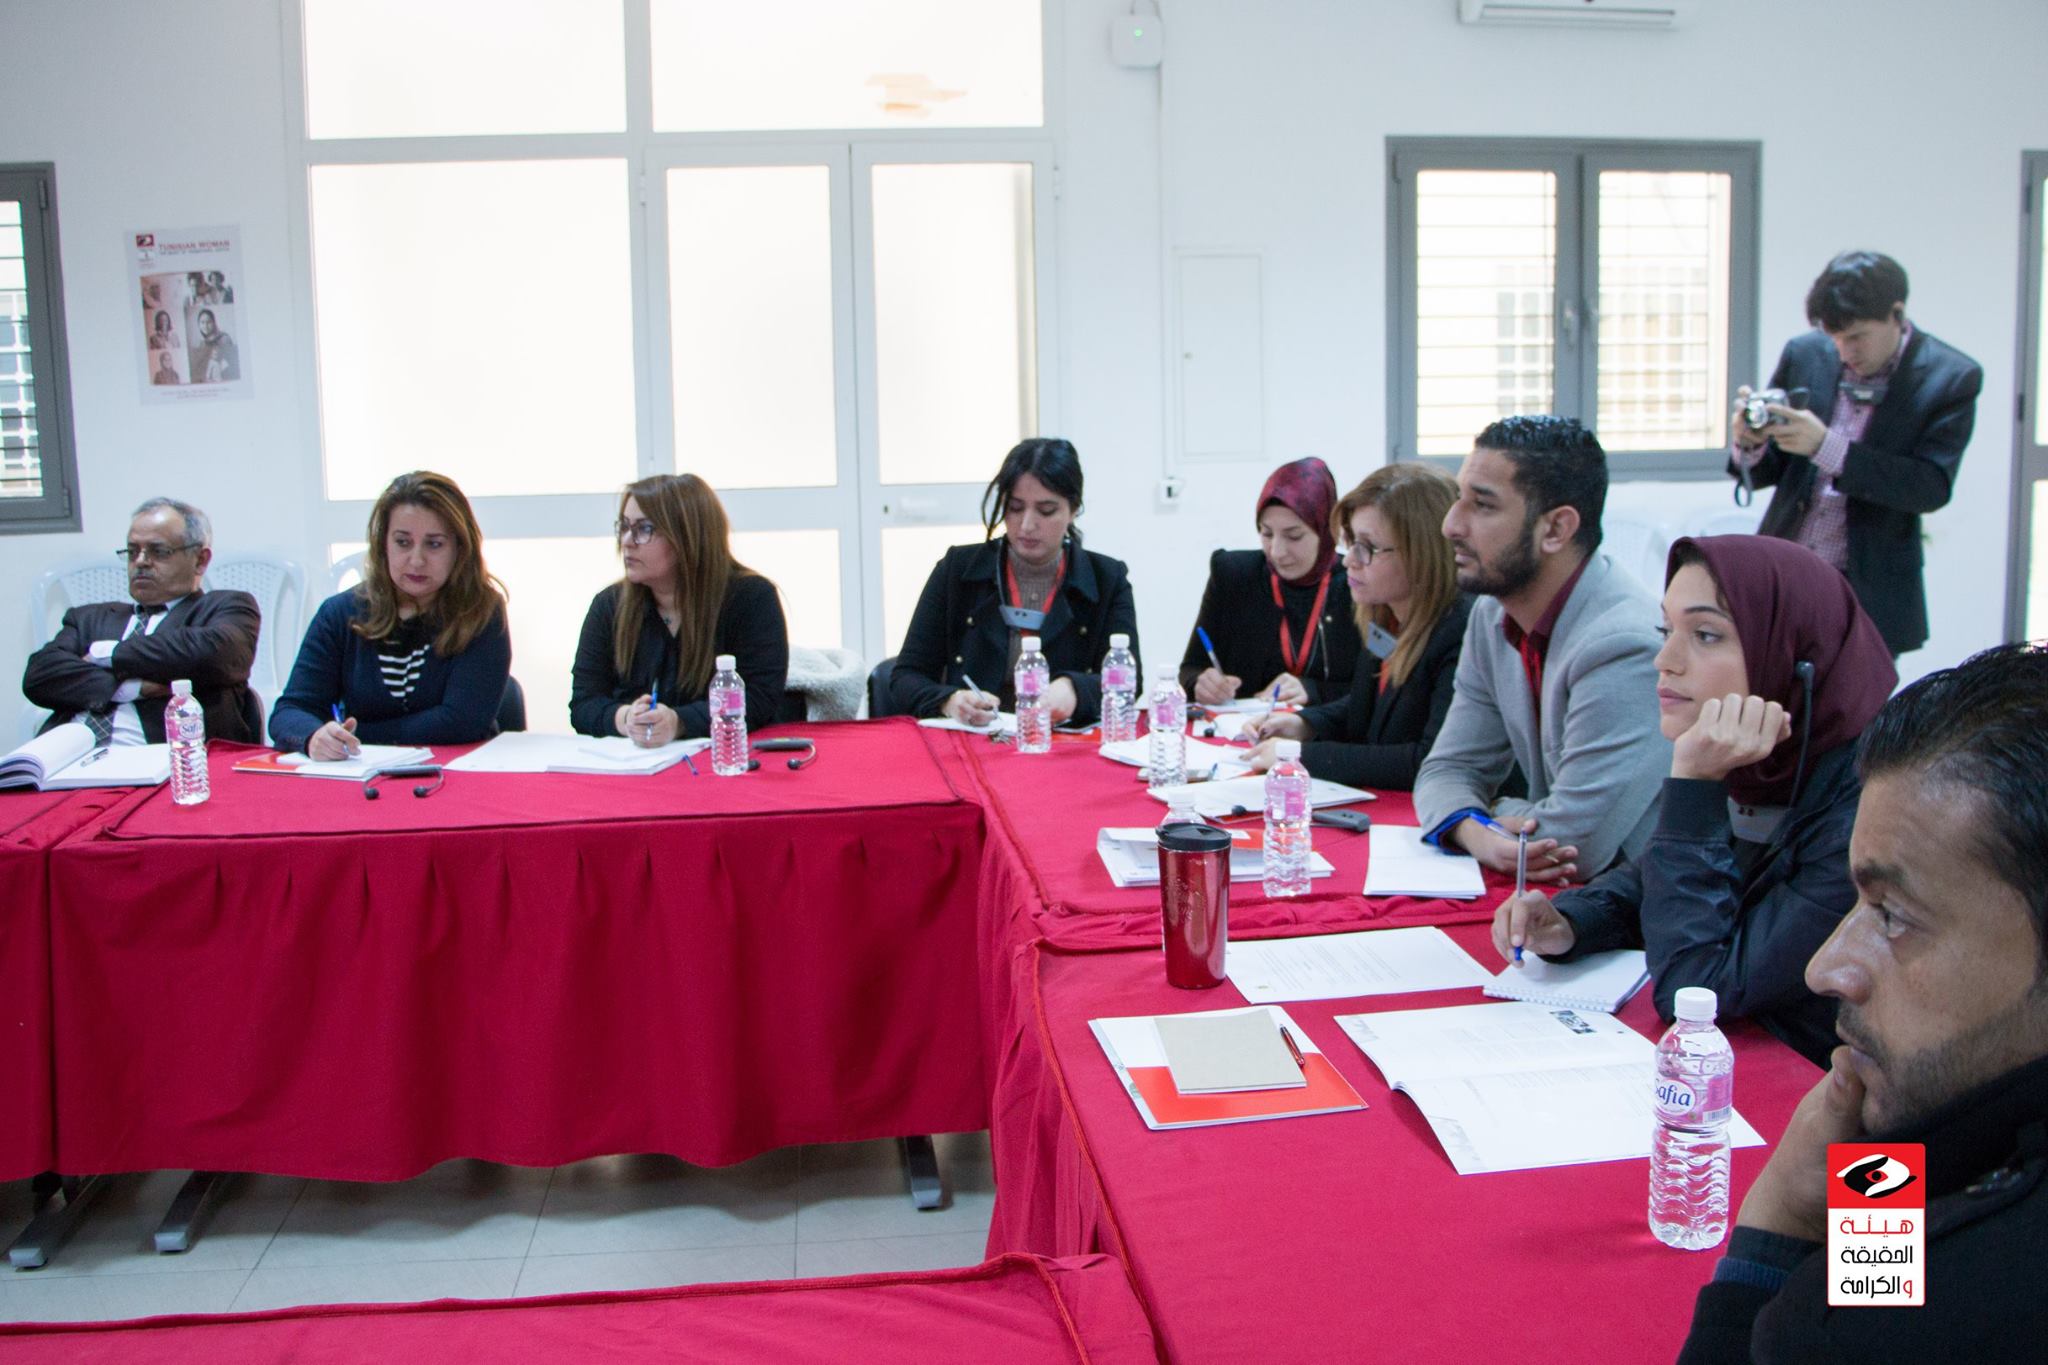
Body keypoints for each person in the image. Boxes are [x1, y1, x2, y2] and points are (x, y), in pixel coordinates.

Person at [1677, 643, 2048, 1364]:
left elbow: (1865, 1306)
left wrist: (1779, 1223)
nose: (1827, 969)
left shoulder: (1877, 1329)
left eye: (1894, 916)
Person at [1489, 535, 1896, 1065]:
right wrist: (1571, 923)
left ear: (1798, 660)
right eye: (1666, 631)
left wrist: (1694, 784)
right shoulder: (1760, 764)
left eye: (1705, 635)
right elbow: (1645, 882)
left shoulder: (1865, 815)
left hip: (1829, 1096)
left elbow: (1696, 991)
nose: (1665, 660)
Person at [1414, 415, 1670, 883]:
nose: (1451, 524)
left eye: (1482, 505)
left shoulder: (1626, 644)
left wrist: (1492, 807)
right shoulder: (1491, 616)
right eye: (1458, 499)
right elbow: (1446, 770)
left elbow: (1573, 846)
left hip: (1638, 907)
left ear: (1555, 529)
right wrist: (1476, 828)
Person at [1730, 251, 1982, 658]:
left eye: (1857, 337)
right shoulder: (1805, 352)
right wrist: (1750, 442)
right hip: (1785, 572)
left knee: (1858, 700)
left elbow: (1930, 486)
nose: (1845, 351)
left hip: (1870, 589)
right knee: (1764, 692)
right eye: (1835, 338)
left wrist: (1826, 447)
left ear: (1896, 314)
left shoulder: (1950, 376)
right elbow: (1773, 470)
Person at [1242, 462, 1470, 789]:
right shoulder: (1383, 613)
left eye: (1367, 548)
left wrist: (1301, 756)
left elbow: (1427, 760)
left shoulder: (1462, 632)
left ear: (1422, 553)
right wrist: (1305, 724)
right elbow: (1368, 706)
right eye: (1350, 544)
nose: (1349, 560)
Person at [888, 437, 1138, 727]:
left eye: (1046, 510)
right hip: (975, 737)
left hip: (1056, 740)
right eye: (1015, 507)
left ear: (1073, 510)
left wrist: (1075, 689)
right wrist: (949, 700)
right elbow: (905, 677)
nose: (1027, 525)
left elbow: (1131, 681)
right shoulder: (957, 569)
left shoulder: (1107, 578)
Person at [270, 471, 510, 758]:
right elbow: (290, 711)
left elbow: (461, 722)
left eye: (434, 544)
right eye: (403, 542)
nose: (417, 560)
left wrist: (358, 736)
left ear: (459, 548)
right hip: (362, 773)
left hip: (458, 769)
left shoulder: (482, 611)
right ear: (383, 544)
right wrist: (314, 736)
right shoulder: (340, 613)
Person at [569, 474, 789, 745]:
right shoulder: (609, 605)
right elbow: (583, 704)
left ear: (687, 535)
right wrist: (627, 719)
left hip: (725, 756)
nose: (627, 541)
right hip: (635, 761)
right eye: (624, 527)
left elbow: (758, 699)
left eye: (644, 529)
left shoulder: (751, 597)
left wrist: (678, 722)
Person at [23, 497, 259, 744]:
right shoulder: (89, 618)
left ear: (200, 559)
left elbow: (214, 653)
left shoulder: (225, 607)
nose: (141, 561)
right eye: (132, 551)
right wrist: (131, 688)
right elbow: (40, 675)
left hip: (168, 758)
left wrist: (107, 654)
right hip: (67, 755)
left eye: (159, 551)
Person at [1176, 457, 1359, 708]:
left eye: (1294, 536)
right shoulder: (1233, 575)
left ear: (1327, 530)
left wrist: (1315, 691)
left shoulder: (1355, 584)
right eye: (1266, 533)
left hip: (1322, 730)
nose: (1277, 551)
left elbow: (1378, 693)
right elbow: (1191, 668)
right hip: (1242, 729)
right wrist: (1200, 683)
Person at [193, 308, 239, 382]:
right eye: (202, 322)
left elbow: (232, 363)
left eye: (209, 322)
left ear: (214, 323)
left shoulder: (224, 338)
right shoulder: (201, 343)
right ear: (199, 324)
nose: (205, 326)